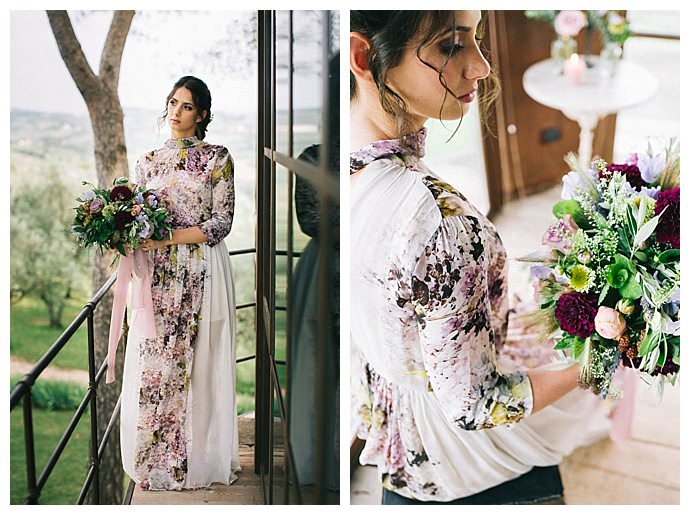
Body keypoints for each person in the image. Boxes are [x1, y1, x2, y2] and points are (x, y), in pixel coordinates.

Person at [350, 11, 609, 505]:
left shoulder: (345, 165)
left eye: (477, 39)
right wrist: (600, 359)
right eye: (451, 47)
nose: (483, 67)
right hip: (456, 455)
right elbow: (475, 405)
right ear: (366, 57)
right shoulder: (443, 225)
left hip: (399, 421)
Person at [120, 76, 240, 491]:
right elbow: (135, 215)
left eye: (186, 106)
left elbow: (221, 223)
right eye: (172, 102)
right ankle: (155, 460)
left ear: (201, 114)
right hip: (157, 277)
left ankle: (195, 460)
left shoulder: (217, 158)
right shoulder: (148, 161)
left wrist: (167, 237)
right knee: (158, 365)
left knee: (197, 365)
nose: (175, 111)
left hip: (200, 273)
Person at [288, 52, 340, 494]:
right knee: (317, 364)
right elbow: (311, 220)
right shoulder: (312, 157)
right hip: (322, 270)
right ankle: (315, 463)